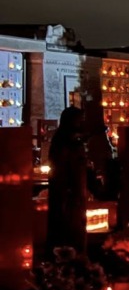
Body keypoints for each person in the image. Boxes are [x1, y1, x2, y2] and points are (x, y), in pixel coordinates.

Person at [45, 105, 88, 255]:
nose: (81, 123)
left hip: (75, 191)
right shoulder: (64, 141)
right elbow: (63, 166)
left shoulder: (73, 140)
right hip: (68, 192)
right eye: (79, 120)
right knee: (68, 227)